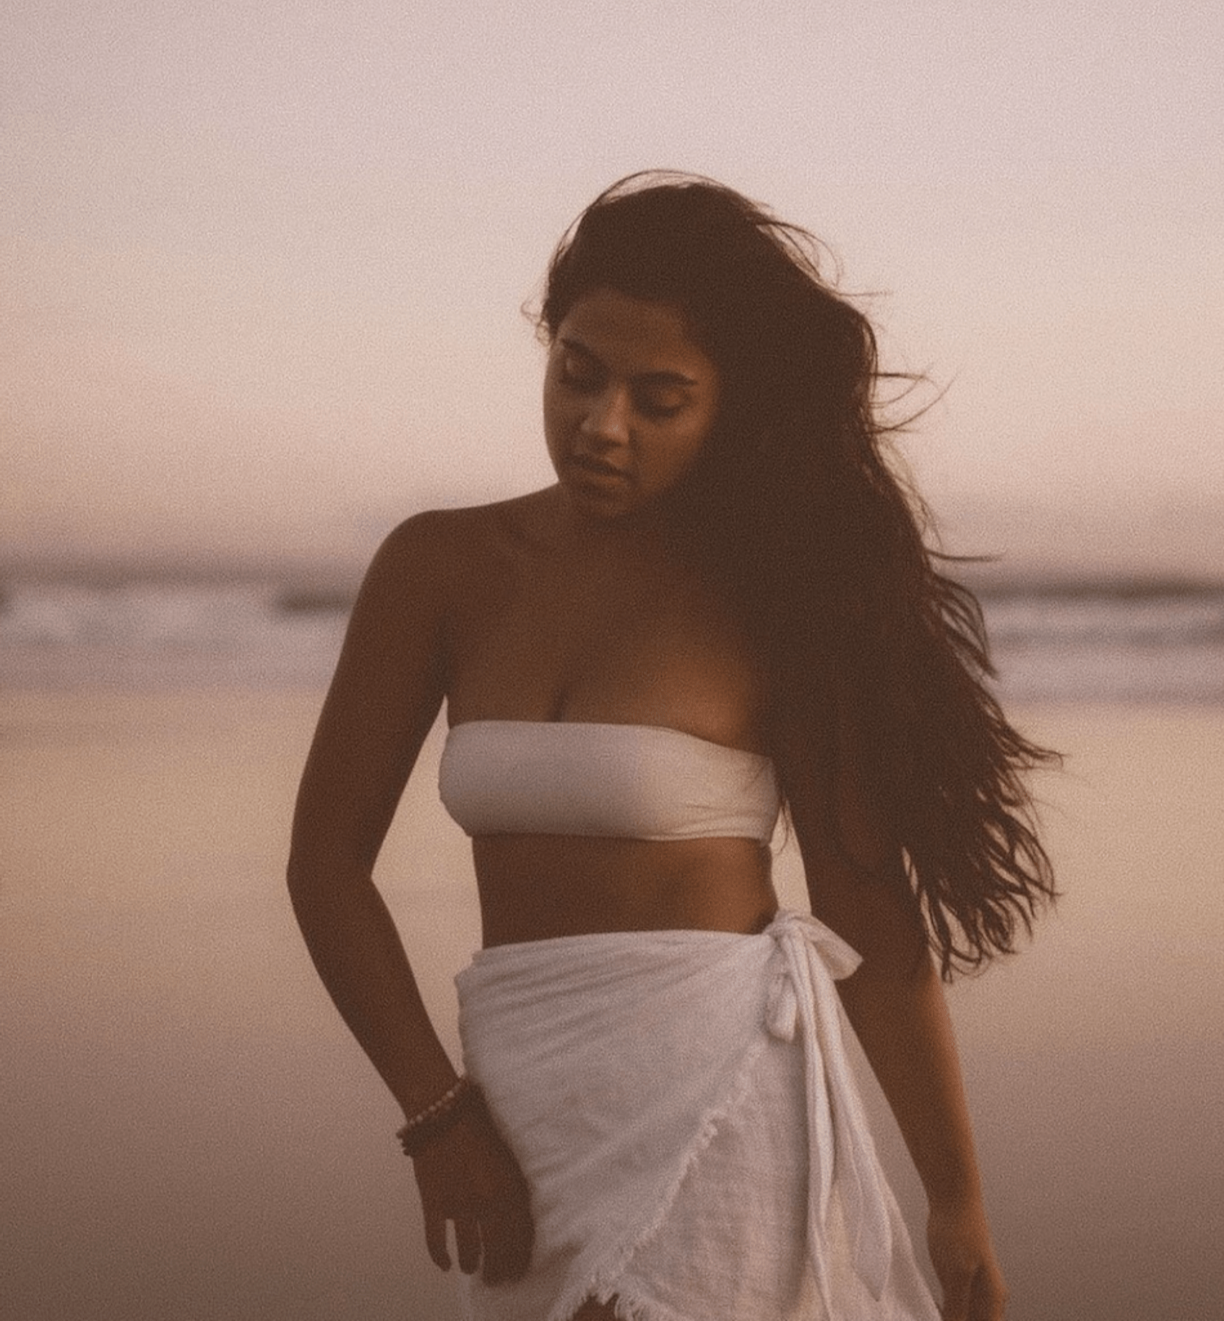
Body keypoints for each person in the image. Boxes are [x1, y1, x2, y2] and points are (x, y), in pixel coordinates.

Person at [288, 172, 1055, 1321]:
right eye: (579, 376)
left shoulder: (774, 595)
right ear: (547, 347)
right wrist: (435, 1114)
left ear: (727, 408)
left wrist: (959, 1206)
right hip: (516, 1101)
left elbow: (865, 910)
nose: (603, 427)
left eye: (661, 399)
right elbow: (326, 866)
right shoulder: (439, 568)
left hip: (719, 1092)